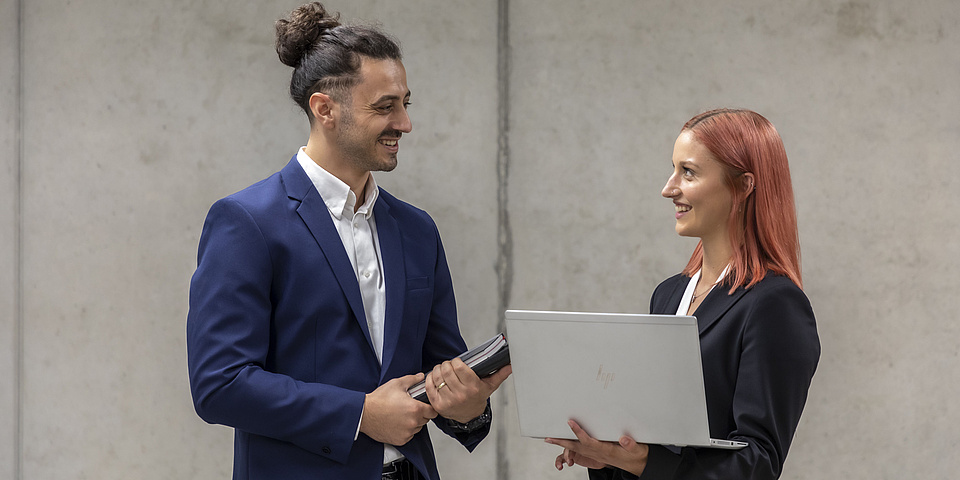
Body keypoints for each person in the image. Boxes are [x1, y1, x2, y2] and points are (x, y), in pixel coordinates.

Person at [186, 3, 511, 479]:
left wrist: (468, 407)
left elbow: (438, 370)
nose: (405, 123)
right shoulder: (246, 222)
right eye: (385, 106)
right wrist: (359, 413)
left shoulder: (417, 230)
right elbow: (220, 383)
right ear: (325, 109)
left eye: (405, 104)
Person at [546, 109, 820, 479]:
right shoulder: (669, 295)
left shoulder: (774, 305)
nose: (668, 188)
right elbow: (652, 446)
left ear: (743, 185)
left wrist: (640, 462)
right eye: (673, 169)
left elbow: (758, 465)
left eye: (688, 172)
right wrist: (607, 455)